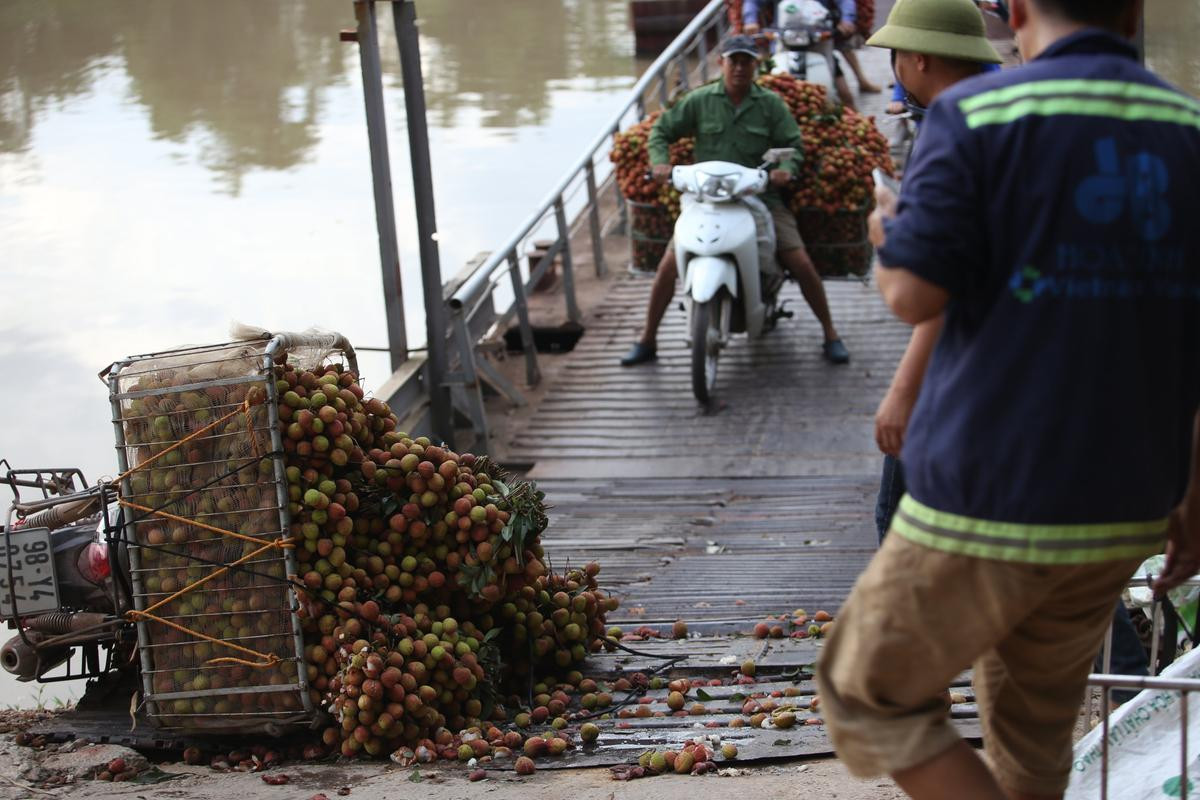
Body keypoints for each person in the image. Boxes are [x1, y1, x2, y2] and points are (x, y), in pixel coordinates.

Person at [816, 0, 1200, 798]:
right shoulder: (1188, 126)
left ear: (1017, 8)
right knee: (1030, 736)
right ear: (1133, 10)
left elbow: (915, 295)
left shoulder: (979, 114)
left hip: (994, 493)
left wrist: (892, 234)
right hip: (1126, 506)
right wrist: (1193, 498)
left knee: (863, 690)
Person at [620, 34, 849, 367]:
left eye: (746, 61)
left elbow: (792, 144)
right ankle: (647, 338)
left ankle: (831, 333)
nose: (740, 68)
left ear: (756, 65)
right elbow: (661, 131)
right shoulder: (699, 100)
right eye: (734, 61)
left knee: (799, 261)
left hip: (761, 199)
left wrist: (786, 168)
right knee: (668, 266)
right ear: (721, 63)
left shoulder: (770, 104)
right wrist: (660, 161)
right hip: (705, 200)